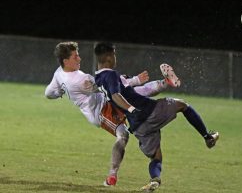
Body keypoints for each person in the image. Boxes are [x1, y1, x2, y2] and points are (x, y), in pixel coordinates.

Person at [45, 42, 179, 187]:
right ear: (66, 61)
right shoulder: (80, 81)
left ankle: (166, 82)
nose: (79, 59)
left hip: (105, 99)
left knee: (137, 94)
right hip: (101, 111)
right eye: (75, 56)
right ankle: (112, 175)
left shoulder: (59, 73)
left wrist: (60, 92)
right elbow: (110, 83)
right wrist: (135, 80)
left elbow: (48, 93)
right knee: (123, 135)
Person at [94, 42, 219, 192]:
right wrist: (132, 108)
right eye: (114, 54)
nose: (115, 57)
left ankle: (154, 180)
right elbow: (116, 96)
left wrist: (135, 83)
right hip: (148, 111)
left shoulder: (99, 79)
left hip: (138, 126)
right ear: (108, 57)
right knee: (182, 105)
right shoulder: (111, 75)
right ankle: (207, 137)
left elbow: (129, 92)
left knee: (156, 157)